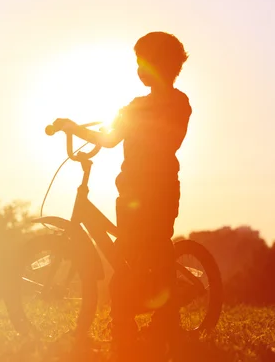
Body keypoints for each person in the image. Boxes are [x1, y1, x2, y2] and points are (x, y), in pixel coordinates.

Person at [53, 31, 191, 359]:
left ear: (161, 65)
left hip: (148, 192)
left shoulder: (158, 105)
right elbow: (119, 138)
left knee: (136, 257)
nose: (139, 68)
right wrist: (82, 128)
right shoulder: (156, 104)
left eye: (144, 61)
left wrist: (79, 127)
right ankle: (150, 321)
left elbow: (127, 139)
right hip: (144, 190)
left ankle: (131, 327)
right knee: (141, 255)